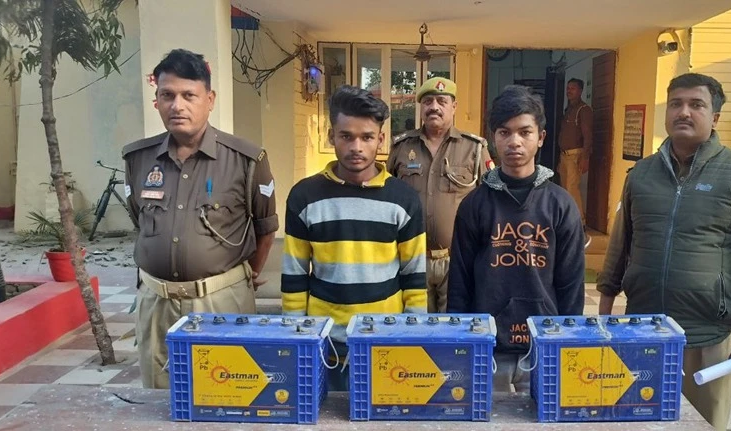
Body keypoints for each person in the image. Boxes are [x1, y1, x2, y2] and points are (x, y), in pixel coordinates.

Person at [596, 73, 731, 431]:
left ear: (715, 117)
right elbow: (619, 247)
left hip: (707, 337)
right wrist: (603, 319)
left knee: (701, 426)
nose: (684, 112)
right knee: (636, 422)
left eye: (696, 104)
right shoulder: (641, 175)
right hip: (642, 330)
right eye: (676, 104)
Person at [123, 49, 278, 389]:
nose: (177, 105)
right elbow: (140, 221)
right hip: (156, 302)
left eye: (188, 95)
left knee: (228, 392)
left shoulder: (246, 160)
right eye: (167, 95)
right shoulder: (138, 159)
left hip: (220, 301)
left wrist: (243, 276)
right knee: (159, 399)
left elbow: (265, 228)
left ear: (210, 99)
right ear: (158, 100)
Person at [282, 85, 427, 390]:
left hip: (385, 340)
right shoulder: (304, 196)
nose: (356, 147)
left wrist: (411, 336)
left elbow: (414, 279)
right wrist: (295, 338)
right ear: (331, 136)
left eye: (367, 137)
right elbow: (294, 277)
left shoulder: (404, 199)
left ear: (381, 140)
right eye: (346, 136)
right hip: (324, 342)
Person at [447, 85, 585, 393]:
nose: (514, 142)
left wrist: (568, 342)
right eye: (504, 132)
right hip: (488, 348)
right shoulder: (474, 205)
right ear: (493, 138)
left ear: (541, 137)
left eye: (525, 132)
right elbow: (459, 283)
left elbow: (572, 284)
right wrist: (462, 341)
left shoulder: (561, 204)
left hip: (544, 346)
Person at [387, 77, 493, 313]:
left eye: (441, 101)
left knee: (453, 325)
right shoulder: (402, 147)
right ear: (421, 107)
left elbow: (489, 203)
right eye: (428, 101)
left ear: (454, 107)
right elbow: (387, 198)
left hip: (457, 260)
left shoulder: (474, 148)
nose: (434, 107)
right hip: (412, 259)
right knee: (415, 325)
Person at [556, 78, 593, 235]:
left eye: (573, 88)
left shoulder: (584, 110)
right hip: (564, 156)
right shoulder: (569, 110)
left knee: (572, 189)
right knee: (564, 190)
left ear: (580, 91)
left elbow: (588, 136)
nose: (569, 91)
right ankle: (568, 220)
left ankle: (579, 223)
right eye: (568, 88)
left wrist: (585, 158)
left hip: (575, 155)